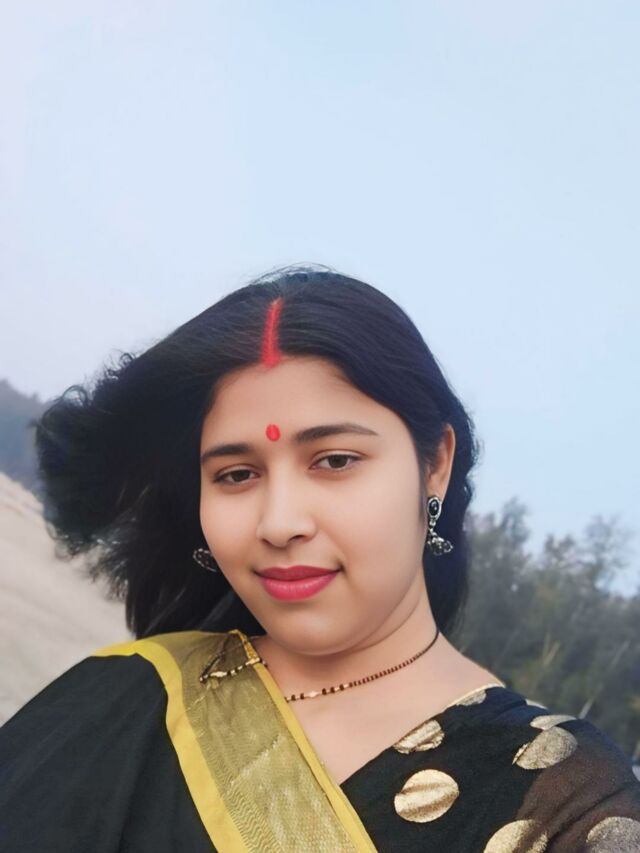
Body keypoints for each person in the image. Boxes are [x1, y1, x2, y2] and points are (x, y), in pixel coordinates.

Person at [1, 265, 639, 852]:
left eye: (334, 460)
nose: (279, 523)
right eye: (236, 474)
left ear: (435, 465)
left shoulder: (565, 801)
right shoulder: (130, 693)